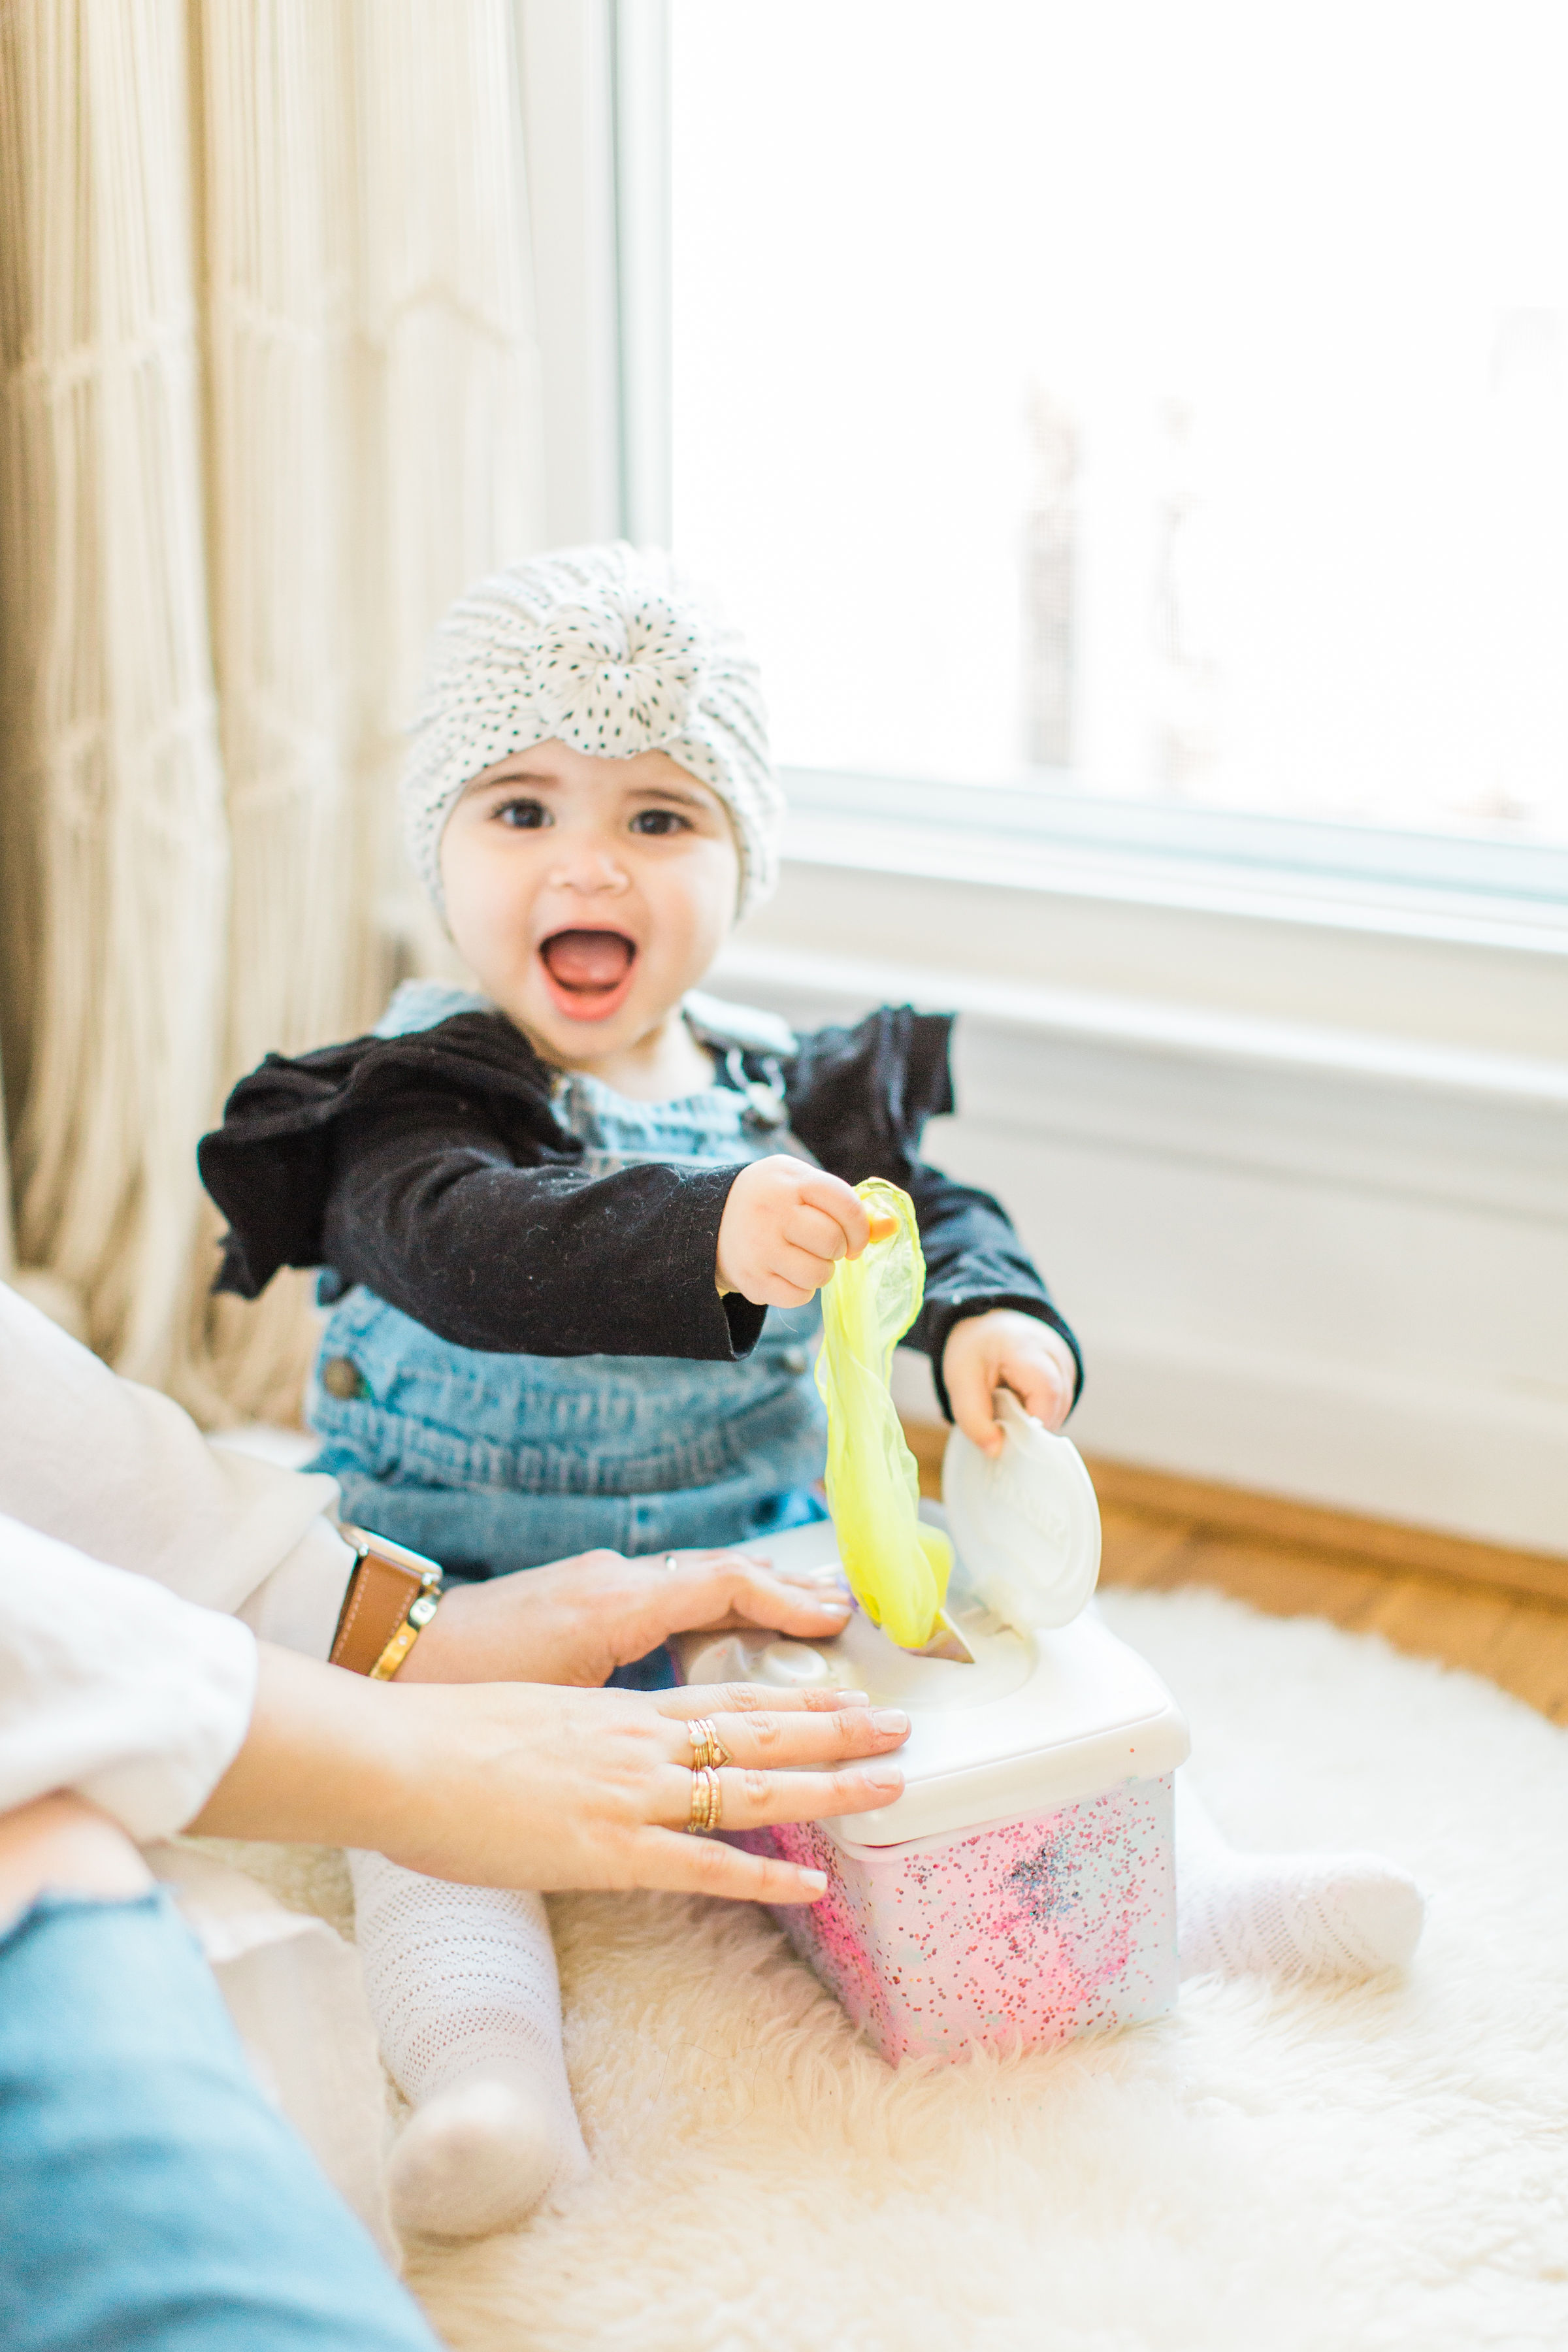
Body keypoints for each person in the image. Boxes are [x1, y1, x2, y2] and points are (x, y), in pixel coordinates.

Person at [199, 544, 1423, 2241]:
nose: (589, 864)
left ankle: (1181, 1894)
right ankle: (491, 2072)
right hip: (473, 1587)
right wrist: (702, 1229)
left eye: (658, 818)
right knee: (428, 1811)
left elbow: (938, 1222)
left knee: (963, 1675)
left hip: (758, 1549)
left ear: (742, 860)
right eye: (522, 811)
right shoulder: (420, 1095)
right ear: (443, 850)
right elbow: (469, 1248)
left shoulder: (790, 1084)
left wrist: (992, 1324)